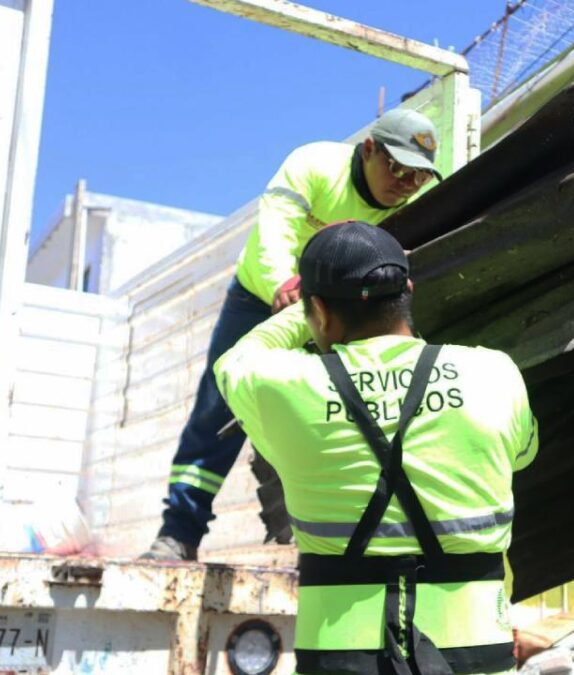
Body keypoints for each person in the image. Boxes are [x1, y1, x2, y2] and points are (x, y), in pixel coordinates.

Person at [214, 221, 538, 674]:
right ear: (408, 291)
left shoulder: (284, 385)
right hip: (476, 654)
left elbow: (234, 362)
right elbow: (522, 455)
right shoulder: (494, 373)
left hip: (340, 658)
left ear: (319, 310)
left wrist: (298, 310)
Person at [143, 109, 443, 561]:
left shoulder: (424, 200)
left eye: (418, 176)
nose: (406, 184)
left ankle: (332, 541)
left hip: (347, 311)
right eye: (398, 168)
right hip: (265, 298)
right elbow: (275, 230)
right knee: (218, 407)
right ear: (368, 150)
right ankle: (178, 533)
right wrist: (283, 286)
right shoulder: (315, 165)